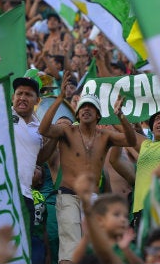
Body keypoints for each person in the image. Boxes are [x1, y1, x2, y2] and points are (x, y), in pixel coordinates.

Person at [39, 72, 137, 264]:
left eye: (91, 107)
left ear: (98, 115)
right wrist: (59, 99)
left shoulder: (105, 137)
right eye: (83, 106)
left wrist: (120, 117)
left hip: (93, 198)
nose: (86, 110)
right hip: (67, 195)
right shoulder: (67, 131)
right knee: (69, 246)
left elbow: (131, 140)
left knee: (94, 248)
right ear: (77, 113)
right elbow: (43, 130)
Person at [11, 76, 55, 241]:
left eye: (28, 94)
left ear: (37, 100)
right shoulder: (2, 114)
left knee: (22, 246)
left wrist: (55, 137)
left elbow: (40, 159)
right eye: (19, 93)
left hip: (26, 195)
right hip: (2, 191)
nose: (22, 97)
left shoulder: (40, 128)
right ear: (12, 97)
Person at [72, 173, 142, 264]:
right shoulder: (94, 246)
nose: (123, 219)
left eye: (125, 216)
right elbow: (75, 260)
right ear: (100, 220)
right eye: (117, 215)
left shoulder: (129, 246)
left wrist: (126, 250)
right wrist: (86, 237)